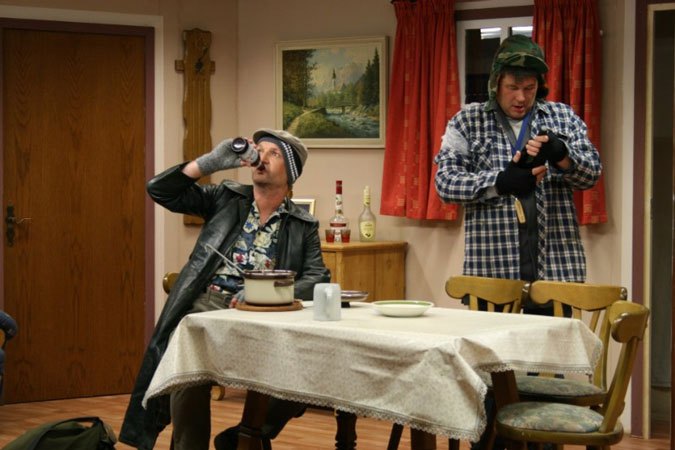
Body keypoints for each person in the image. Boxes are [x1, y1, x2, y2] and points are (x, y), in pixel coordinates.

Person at [119, 129, 331, 450]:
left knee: (313, 369)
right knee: (188, 364)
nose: (261, 157)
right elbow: (160, 190)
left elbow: (317, 278)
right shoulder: (224, 198)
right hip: (211, 304)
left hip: (266, 316)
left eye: (273, 154)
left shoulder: (303, 224)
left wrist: (266, 292)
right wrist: (210, 162)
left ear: (291, 173)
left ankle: (244, 435)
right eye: (260, 150)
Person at [434, 35, 602, 313]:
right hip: (491, 271)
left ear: (539, 86)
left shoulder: (563, 117)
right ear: (496, 84)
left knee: (553, 343)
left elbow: (592, 174)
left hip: (557, 268)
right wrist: (499, 182)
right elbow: (445, 183)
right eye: (512, 87)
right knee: (493, 344)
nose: (521, 97)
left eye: (529, 88)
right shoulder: (466, 121)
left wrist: (562, 155)